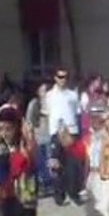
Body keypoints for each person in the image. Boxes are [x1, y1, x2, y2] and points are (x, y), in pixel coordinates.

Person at [45, 68, 83, 205]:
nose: (63, 79)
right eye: (60, 77)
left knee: (72, 165)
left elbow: (77, 112)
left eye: (65, 77)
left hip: (71, 131)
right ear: (55, 78)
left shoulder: (72, 95)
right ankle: (59, 196)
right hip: (56, 132)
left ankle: (74, 193)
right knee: (56, 165)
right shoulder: (49, 95)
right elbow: (48, 112)